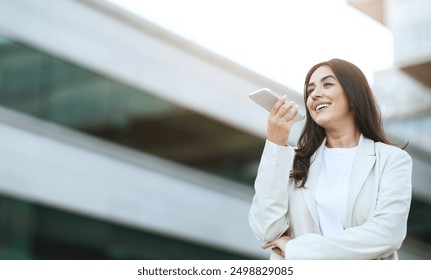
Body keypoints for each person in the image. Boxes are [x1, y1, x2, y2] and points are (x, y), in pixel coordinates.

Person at [249, 58, 412, 260]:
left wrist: (296, 249)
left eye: (327, 84)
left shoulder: (391, 159)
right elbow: (267, 230)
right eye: (310, 90)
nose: (315, 94)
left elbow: (387, 235)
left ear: (353, 96)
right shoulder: (294, 161)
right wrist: (276, 143)